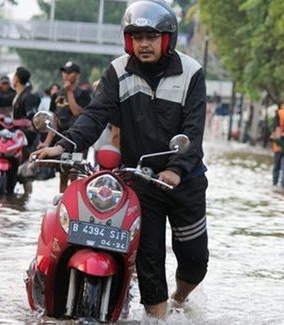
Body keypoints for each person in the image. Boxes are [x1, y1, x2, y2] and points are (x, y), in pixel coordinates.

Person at [32, 0, 208, 319]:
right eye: (137, 36)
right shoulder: (117, 71)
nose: (143, 44)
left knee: (195, 260)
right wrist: (62, 146)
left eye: (151, 37)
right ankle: (157, 317)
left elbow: (194, 131)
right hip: (141, 180)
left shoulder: (192, 73)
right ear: (128, 40)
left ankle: (180, 299)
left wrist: (176, 170)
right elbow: (96, 114)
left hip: (185, 180)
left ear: (166, 39)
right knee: (149, 261)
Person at [37, 61, 91, 193]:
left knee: (74, 171)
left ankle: (74, 201)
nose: (66, 75)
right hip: (62, 139)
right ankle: (62, 205)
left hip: (78, 139)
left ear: (77, 75)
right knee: (63, 174)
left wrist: (70, 92)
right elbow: (54, 120)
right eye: (64, 72)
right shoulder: (56, 95)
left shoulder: (83, 94)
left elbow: (77, 112)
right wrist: (47, 143)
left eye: (69, 72)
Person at [12, 67, 40, 193]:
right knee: (17, 169)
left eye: (14, 76)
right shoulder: (18, 95)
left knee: (25, 173)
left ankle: (27, 199)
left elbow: (31, 117)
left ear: (17, 79)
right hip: (16, 136)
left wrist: (25, 123)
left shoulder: (28, 96)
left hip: (26, 139)